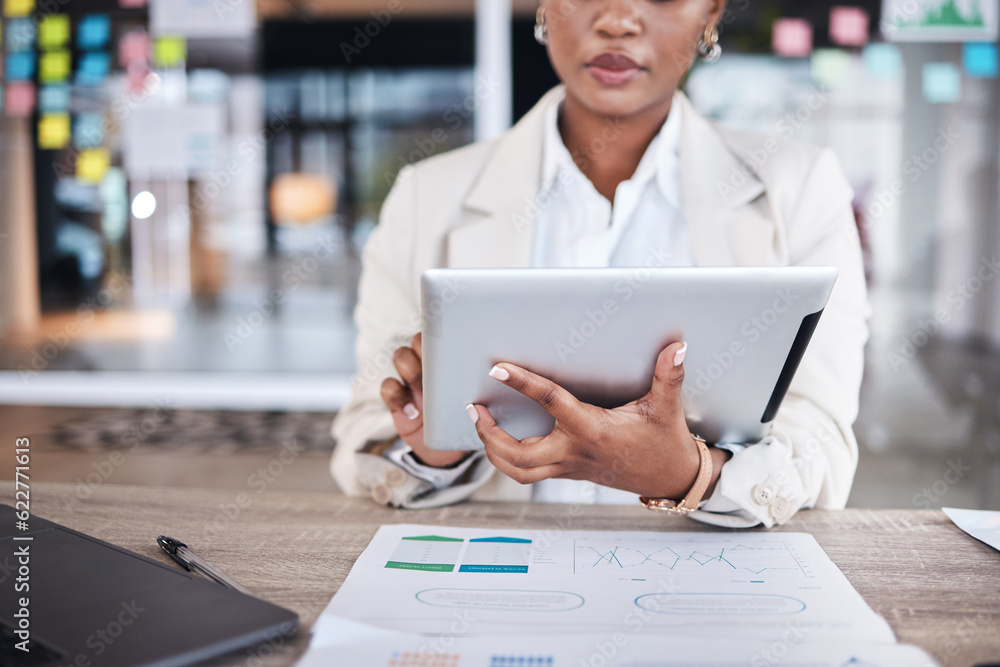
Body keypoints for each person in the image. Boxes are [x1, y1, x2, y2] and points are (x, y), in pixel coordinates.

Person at [330, 0, 870, 528]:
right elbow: (364, 439)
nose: (616, 21)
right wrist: (435, 452)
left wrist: (689, 474)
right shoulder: (428, 196)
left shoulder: (800, 188)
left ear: (710, 13)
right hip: (500, 579)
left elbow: (822, 441)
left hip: (707, 584)